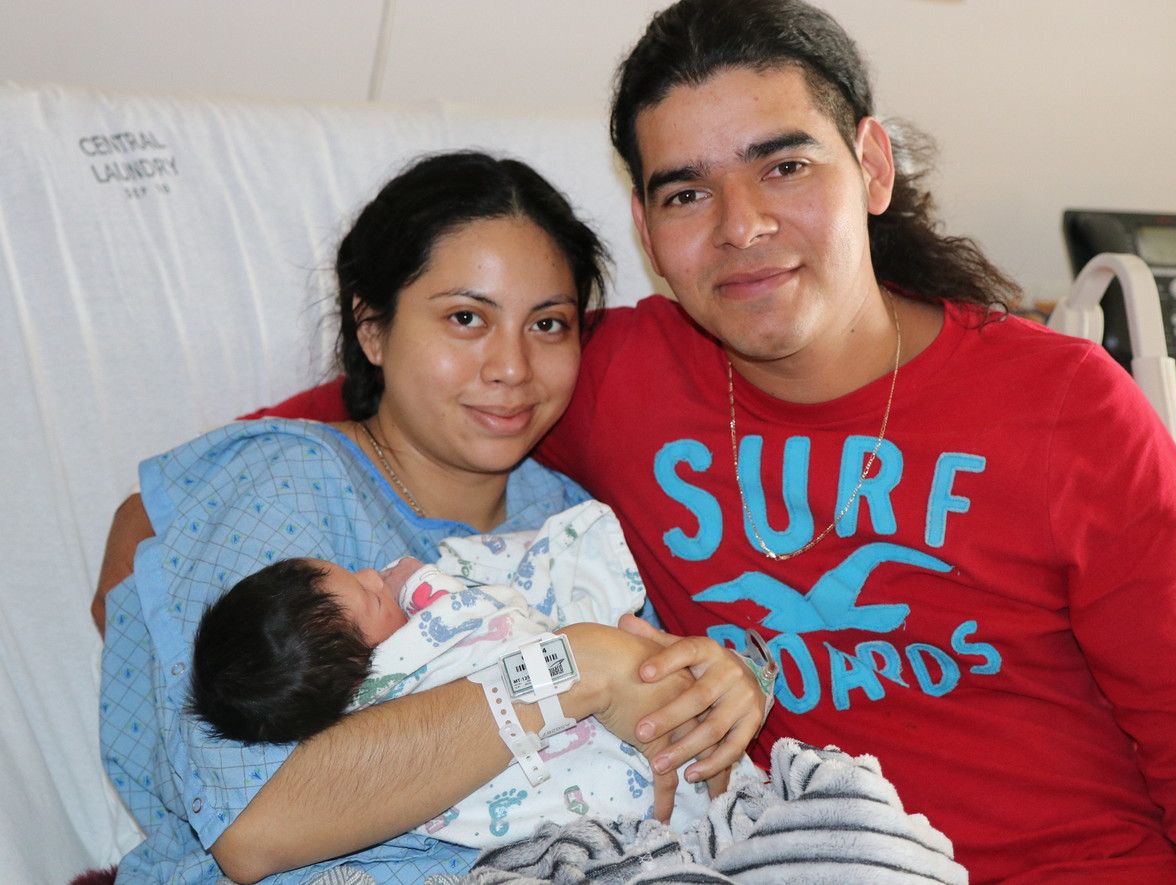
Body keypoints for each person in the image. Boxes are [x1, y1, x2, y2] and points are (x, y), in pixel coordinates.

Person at [99, 2, 1176, 883]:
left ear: (872, 166)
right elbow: (353, 422)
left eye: (781, 164)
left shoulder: (1066, 405)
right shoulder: (601, 369)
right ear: (643, 222)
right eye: (686, 190)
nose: (740, 227)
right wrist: (151, 565)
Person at [98, 150, 769, 885]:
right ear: (372, 328)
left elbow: (647, 753)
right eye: (465, 317)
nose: (511, 366)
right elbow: (255, 827)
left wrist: (718, 693)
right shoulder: (282, 485)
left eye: (548, 324)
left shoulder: (572, 519)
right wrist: (571, 667)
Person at [187, 500, 733, 848]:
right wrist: (419, 580)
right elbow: (476, 617)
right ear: (360, 675)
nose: (373, 574)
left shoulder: (348, 687)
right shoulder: (404, 670)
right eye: (372, 598)